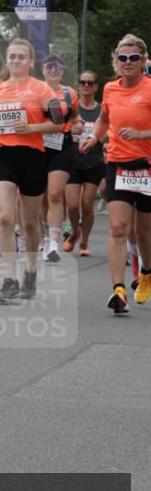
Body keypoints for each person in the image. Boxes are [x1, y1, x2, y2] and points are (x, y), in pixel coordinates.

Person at [0, 38, 64, 302]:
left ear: (30, 61)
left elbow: (58, 124)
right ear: (6, 60)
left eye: (21, 56)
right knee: (6, 218)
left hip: (32, 157)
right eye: (12, 56)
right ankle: (9, 280)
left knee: (30, 223)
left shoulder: (42, 90)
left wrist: (31, 128)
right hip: (3, 156)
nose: (16, 60)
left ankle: (30, 270)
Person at [80, 34, 151, 314]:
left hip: (147, 166)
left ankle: (146, 272)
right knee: (119, 227)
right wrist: (94, 138)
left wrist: (142, 134)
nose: (128, 62)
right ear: (116, 62)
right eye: (123, 58)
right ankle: (118, 290)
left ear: (143, 60)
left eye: (134, 57)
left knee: (143, 232)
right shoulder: (110, 89)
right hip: (118, 164)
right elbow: (104, 119)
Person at [39, 53, 81, 262]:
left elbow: (76, 117)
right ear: (43, 70)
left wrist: (78, 125)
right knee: (41, 196)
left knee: (55, 194)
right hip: (38, 146)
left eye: (57, 68)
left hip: (62, 145)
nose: (53, 71)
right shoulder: (35, 91)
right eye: (49, 67)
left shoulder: (69, 93)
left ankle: (54, 244)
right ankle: (46, 237)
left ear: (62, 71)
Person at [64, 70, 107, 256]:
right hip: (72, 161)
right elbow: (61, 128)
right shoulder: (73, 109)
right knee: (72, 205)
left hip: (94, 162)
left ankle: (84, 241)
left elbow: (109, 131)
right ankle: (75, 232)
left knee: (87, 204)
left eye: (90, 83)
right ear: (78, 86)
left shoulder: (101, 110)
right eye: (83, 82)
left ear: (96, 86)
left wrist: (97, 140)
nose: (86, 86)